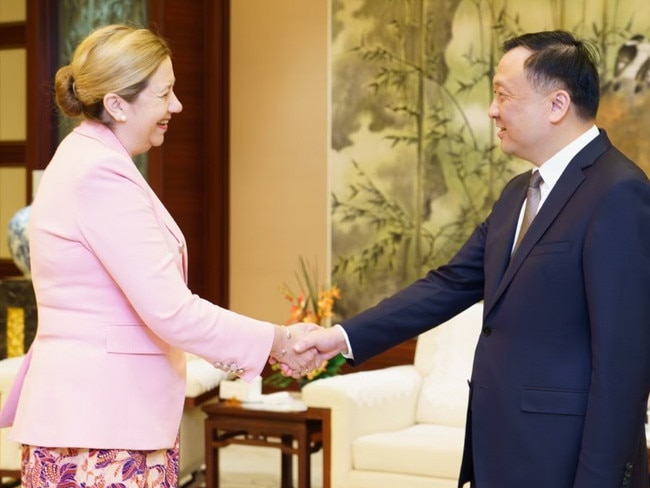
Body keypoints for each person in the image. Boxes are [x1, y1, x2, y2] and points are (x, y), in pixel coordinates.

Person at [295, 30, 650, 487]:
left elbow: (624, 364)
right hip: (499, 453)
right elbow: (447, 284)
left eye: (503, 95)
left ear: (557, 105)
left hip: (564, 462)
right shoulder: (517, 194)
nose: (492, 110)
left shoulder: (619, 192)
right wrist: (340, 337)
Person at [0, 24, 320, 488]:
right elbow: (171, 310)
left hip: (101, 424)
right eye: (165, 93)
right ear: (117, 104)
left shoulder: (88, 158)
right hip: (101, 433)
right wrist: (278, 340)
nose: (177, 106)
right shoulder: (98, 175)